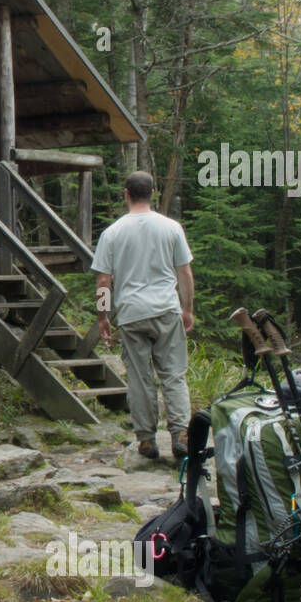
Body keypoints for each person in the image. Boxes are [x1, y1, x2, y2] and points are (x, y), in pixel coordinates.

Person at [90, 171, 194, 460]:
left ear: (126, 194)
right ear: (153, 193)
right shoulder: (171, 228)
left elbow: (103, 281)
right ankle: (180, 433)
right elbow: (184, 271)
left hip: (132, 314)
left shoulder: (112, 233)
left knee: (140, 378)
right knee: (173, 375)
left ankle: (146, 439)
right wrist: (187, 309)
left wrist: (103, 317)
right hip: (166, 309)